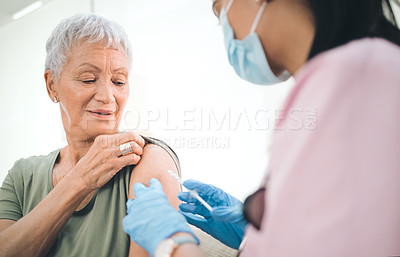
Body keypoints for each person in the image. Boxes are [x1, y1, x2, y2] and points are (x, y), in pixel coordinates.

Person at [122, 0, 400, 256]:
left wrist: (170, 243)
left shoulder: (358, 81)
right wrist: (254, 233)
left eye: (222, 14)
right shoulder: (333, 81)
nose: (227, 31)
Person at [0, 13, 183, 257]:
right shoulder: (22, 177)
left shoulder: (146, 158)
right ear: (51, 84)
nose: (108, 96)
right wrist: (81, 179)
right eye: (88, 79)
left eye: (119, 81)